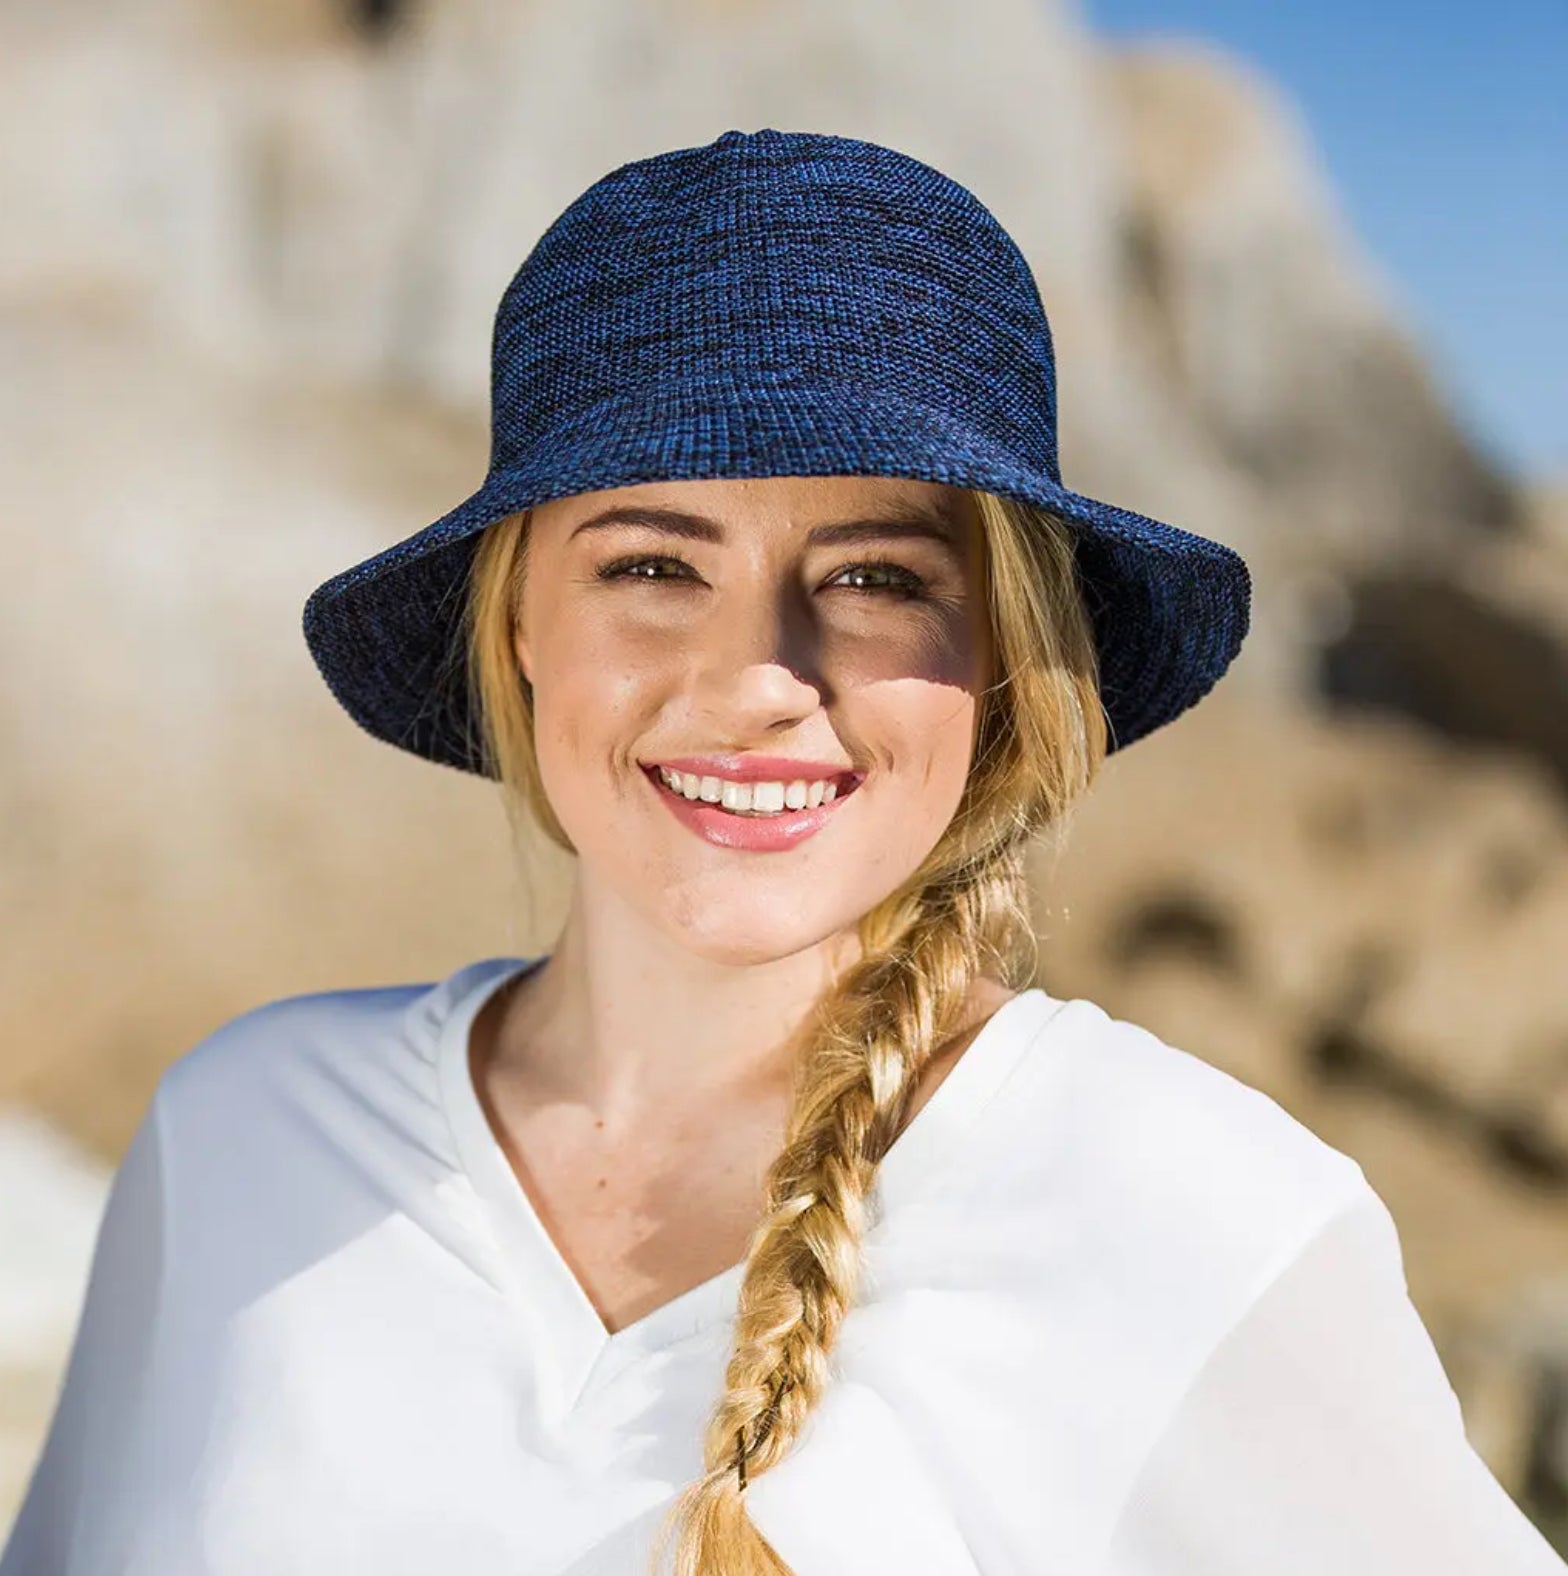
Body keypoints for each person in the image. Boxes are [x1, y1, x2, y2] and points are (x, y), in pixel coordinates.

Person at [4, 128, 1561, 1576]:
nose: (760, 678)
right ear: (521, 621)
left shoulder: (1196, 1214)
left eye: (878, 572)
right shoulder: (241, 1141)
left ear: (1003, 650)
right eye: (653, 563)